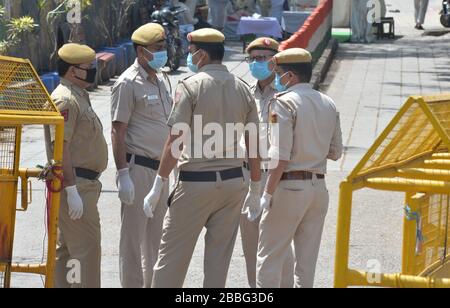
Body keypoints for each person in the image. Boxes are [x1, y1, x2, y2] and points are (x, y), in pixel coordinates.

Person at [144, 28, 261, 288]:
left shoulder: (190, 87)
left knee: (170, 262)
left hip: (195, 183)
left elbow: (176, 141)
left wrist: (159, 183)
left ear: (202, 55)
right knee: (218, 265)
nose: (189, 57)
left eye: (191, 52)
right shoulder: (243, 89)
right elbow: (253, 144)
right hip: (233, 184)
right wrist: (255, 188)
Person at [256, 48, 343, 288]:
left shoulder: (282, 103)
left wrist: (266, 194)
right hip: (318, 188)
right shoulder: (328, 102)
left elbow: (279, 155)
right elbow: (336, 152)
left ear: (290, 76)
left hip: (288, 187)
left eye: (279, 73)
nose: (276, 78)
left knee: (269, 259)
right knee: (306, 265)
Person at [111, 23, 172, 288]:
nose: (162, 53)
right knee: (133, 243)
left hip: (161, 172)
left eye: (163, 48)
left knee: (156, 241)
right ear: (140, 51)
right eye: (157, 49)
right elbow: (118, 131)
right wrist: (123, 174)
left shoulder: (162, 80)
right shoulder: (127, 83)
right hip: (137, 170)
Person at [45, 43, 108, 288]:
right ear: (73, 71)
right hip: (77, 184)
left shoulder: (78, 95)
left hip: (82, 184)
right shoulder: (66, 99)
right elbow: (62, 146)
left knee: (70, 253)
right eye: (88, 67)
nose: (93, 71)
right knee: (86, 254)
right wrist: (71, 189)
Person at [241, 37, 295, 288]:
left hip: (277, 174)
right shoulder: (244, 92)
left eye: (263, 58)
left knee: (279, 243)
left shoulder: (287, 93)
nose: (257, 63)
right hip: (249, 175)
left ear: (275, 61)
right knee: (251, 242)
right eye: (253, 59)